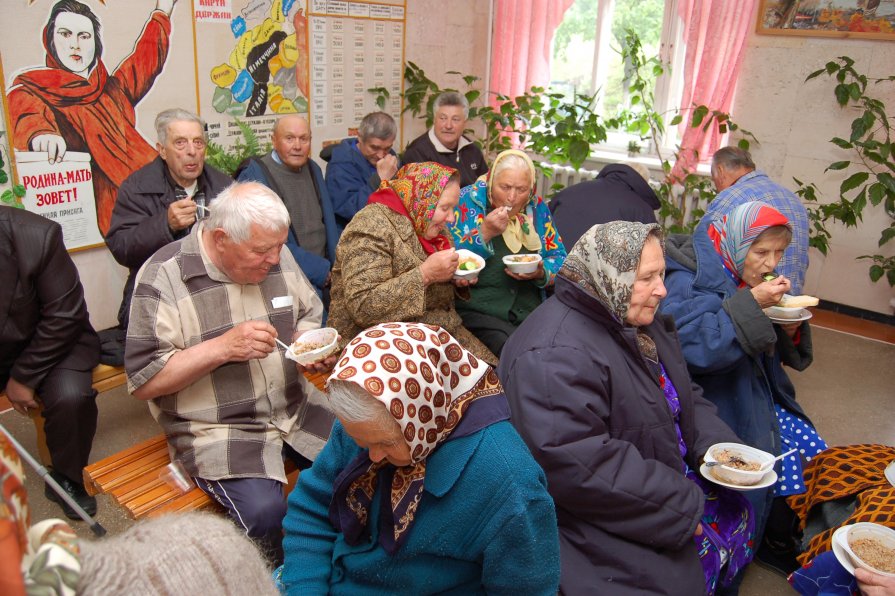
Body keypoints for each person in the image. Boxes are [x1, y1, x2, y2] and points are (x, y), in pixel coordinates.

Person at [499, 221, 755, 595]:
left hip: (653, 477)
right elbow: (579, 466)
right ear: (608, 275)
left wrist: (724, 452)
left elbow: (683, 394)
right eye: (647, 278)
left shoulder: (623, 316)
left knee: (742, 508)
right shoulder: (552, 357)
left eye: (662, 274)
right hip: (589, 518)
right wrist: (681, 507)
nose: (662, 290)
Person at [125, 181, 335, 564]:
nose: (275, 258)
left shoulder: (274, 252)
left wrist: (306, 341)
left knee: (359, 456)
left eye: (279, 246)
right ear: (220, 238)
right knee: (263, 513)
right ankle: (269, 582)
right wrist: (221, 348)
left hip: (293, 405)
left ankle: (336, 562)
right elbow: (144, 379)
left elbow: (307, 310)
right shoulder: (163, 277)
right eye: (261, 250)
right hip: (218, 426)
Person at [278, 322, 560, 594]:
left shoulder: (509, 485)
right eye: (362, 443)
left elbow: (528, 587)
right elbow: (311, 511)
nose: (373, 456)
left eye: (385, 443)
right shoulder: (363, 422)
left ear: (423, 417)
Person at [661, 201, 827, 576]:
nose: (771, 263)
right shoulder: (686, 278)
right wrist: (752, 305)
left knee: (812, 453)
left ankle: (772, 534)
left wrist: (789, 328)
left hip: (754, 389)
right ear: (736, 244)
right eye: (761, 252)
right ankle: (756, 539)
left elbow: (774, 352)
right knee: (770, 460)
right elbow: (692, 348)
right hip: (715, 396)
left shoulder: (740, 271)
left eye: (779, 253)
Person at [7, 0, 176, 235]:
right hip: (115, 220)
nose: (75, 45)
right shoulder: (33, 88)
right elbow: (27, 110)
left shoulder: (111, 90)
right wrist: (41, 134)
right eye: (65, 34)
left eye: (84, 36)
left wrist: (162, 11)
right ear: (50, 40)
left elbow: (144, 59)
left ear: (96, 43)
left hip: (157, 200)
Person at [327, 162, 497, 365]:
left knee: (495, 376)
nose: (451, 218)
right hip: (380, 348)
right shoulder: (371, 225)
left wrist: (454, 277)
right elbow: (363, 306)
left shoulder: (432, 225)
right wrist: (426, 274)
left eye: (453, 208)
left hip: (434, 335)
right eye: (445, 208)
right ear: (422, 199)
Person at [0, 206, 100, 520]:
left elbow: (64, 316)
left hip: (49, 341)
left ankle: (68, 477)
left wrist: (23, 377)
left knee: (71, 397)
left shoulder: (37, 235)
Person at [105, 108, 232, 330]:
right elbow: (121, 247)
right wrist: (165, 224)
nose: (192, 151)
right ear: (162, 150)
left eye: (198, 143)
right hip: (159, 294)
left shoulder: (224, 187)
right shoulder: (137, 188)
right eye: (180, 143)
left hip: (215, 291)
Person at [449, 149, 566, 356]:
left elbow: (560, 260)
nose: (511, 197)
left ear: (530, 189)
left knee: (559, 350)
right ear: (491, 180)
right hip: (479, 309)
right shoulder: (466, 201)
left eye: (521, 189)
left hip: (530, 311)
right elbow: (448, 257)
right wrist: (485, 232)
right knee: (518, 353)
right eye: (505, 187)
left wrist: (541, 272)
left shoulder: (536, 208)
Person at [236, 114, 339, 304]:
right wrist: (318, 269)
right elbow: (260, 240)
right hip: (285, 279)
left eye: (304, 139)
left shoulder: (313, 168)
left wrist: (336, 266)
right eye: (289, 138)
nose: (297, 146)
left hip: (326, 278)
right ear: (274, 140)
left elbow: (329, 222)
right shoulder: (256, 175)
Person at [705, 147, 809, 294]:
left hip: (747, 303)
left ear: (720, 171)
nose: (771, 263)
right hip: (791, 304)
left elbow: (702, 252)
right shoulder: (793, 199)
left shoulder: (729, 197)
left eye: (713, 179)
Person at [549, 162, 660, 248]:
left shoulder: (570, 192)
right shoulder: (642, 210)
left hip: (551, 267)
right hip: (597, 274)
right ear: (643, 183)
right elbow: (651, 255)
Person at [325, 111, 400, 227]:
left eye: (387, 148)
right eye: (374, 147)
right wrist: (379, 180)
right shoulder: (340, 164)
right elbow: (348, 210)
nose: (381, 155)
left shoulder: (390, 158)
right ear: (360, 137)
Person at [401, 92, 488, 187]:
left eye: (455, 119)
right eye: (443, 118)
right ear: (434, 119)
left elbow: (485, 187)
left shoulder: (472, 150)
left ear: (465, 122)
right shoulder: (416, 153)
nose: (448, 125)